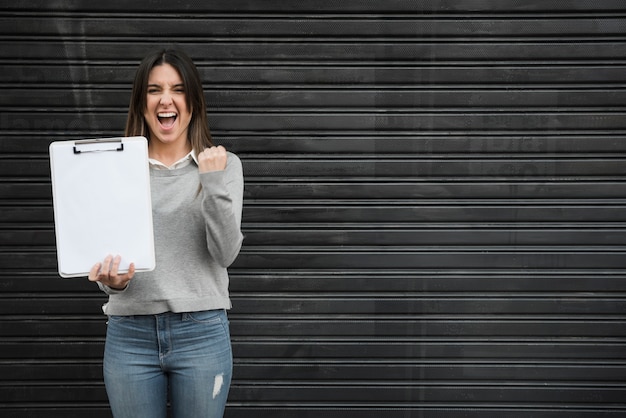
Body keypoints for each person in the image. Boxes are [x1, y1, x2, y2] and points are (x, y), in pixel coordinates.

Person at [86, 48, 244, 418]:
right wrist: (114, 283)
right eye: (154, 90)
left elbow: (225, 253)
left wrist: (212, 181)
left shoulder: (224, 165)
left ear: (193, 101)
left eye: (177, 89)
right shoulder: (115, 171)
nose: (166, 100)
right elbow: (105, 259)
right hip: (130, 335)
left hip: (202, 332)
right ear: (142, 103)